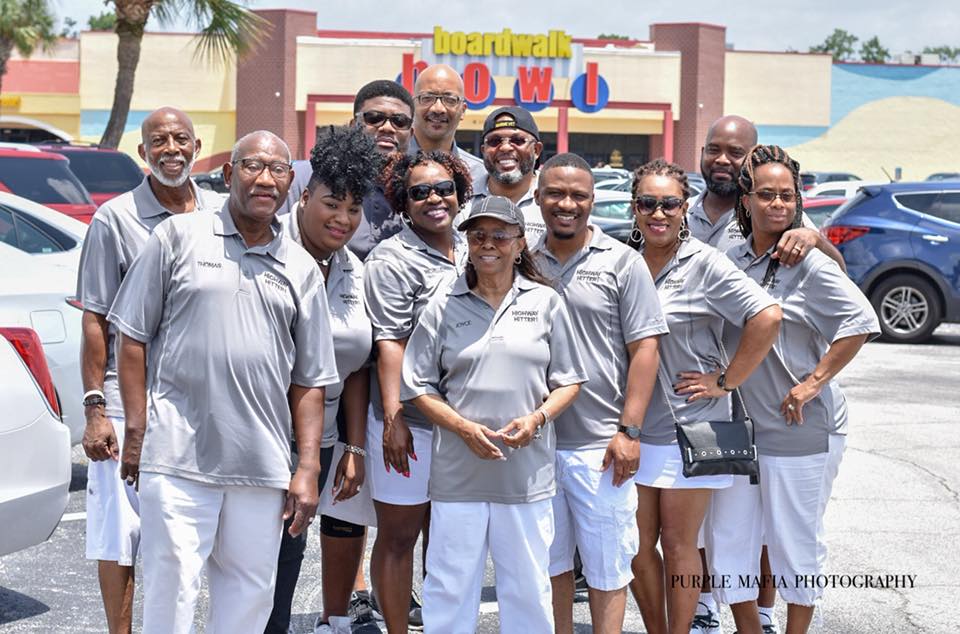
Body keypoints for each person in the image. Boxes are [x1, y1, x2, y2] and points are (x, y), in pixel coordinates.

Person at [108, 130, 339, 633]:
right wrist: (137, 429)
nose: (265, 179)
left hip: (261, 464)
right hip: (177, 456)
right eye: (253, 166)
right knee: (171, 592)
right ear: (230, 173)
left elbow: (310, 381)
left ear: (290, 185)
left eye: (278, 170)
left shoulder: (301, 267)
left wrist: (307, 467)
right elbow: (131, 337)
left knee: (249, 599)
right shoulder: (177, 237)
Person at [703, 145, 879, 634]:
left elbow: (861, 319)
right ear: (746, 201)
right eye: (766, 195)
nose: (777, 204)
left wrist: (812, 384)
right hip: (734, 430)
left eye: (786, 195)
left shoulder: (808, 262)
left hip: (796, 428)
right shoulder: (729, 259)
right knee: (728, 539)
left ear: (798, 201)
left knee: (795, 543)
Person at [401, 195, 588, 633]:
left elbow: (570, 382)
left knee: (528, 591)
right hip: (457, 476)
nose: (488, 244)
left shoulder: (546, 302)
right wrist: (463, 428)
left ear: (520, 244)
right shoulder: (443, 304)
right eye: (478, 235)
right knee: (449, 588)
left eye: (501, 236)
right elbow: (417, 386)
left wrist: (537, 419)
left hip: (526, 476)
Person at [76, 106, 222, 634]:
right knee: (120, 536)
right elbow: (95, 317)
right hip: (125, 400)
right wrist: (96, 409)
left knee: (183, 534)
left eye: (181, 139)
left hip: (199, 405)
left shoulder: (220, 213)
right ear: (143, 152)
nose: (171, 150)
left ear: (197, 146)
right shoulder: (114, 219)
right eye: (159, 141)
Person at [623, 159, 782, 634]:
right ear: (634, 207)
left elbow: (767, 316)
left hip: (698, 426)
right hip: (632, 427)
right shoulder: (622, 260)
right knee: (634, 546)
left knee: (680, 544)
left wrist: (726, 381)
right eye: (648, 203)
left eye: (669, 204)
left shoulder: (706, 263)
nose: (658, 213)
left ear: (684, 208)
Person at [530, 153, 668, 634]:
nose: (566, 204)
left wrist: (629, 431)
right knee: (549, 566)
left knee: (608, 569)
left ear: (592, 201)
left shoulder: (622, 262)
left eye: (578, 196)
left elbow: (645, 348)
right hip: (536, 444)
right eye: (555, 193)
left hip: (600, 448)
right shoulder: (521, 259)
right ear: (537, 197)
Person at [263, 126, 380, 634]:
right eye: (332, 204)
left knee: (289, 552)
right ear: (304, 197)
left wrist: (352, 447)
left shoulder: (353, 269)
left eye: (354, 209)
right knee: (249, 559)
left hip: (322, 438)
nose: (343, 219)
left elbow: (355, 366)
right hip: (262, 432)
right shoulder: (267, 248)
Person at [363, 150, 472, 633]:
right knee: (399, 536)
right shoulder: (391, 258)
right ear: (402, 203)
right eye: (420, 192)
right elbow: (390, 342)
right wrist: (394, 418)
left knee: (449, 539)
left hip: (463, 422)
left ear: (460, 193)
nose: (434, 199)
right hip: (410, 424)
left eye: (444, 189)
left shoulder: (473, 247)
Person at [277, 80, 412, 261]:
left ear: (411, 134)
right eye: (374, 118)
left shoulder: (417, 192)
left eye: (400, 121)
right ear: (353, 124)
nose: (387, 127)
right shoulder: (304, 176)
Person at [689, 115, 845, 269]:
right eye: (713, 150)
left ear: (752, 158)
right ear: (702, 153)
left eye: (735, 153)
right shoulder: (679, 214)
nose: (722, 159)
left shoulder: (776, 215)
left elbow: (839, 271)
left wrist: (815, 239)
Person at [455, 106, 546, 242]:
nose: (505, 147)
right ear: (484, 150)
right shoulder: (460, 198)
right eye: (494, 141)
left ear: (536, 150)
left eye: (518, 140)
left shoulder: (554, 198)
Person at [410, 64, 485, 182]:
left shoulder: (479, 176)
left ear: (463, 110)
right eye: (427, 98)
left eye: (450, 100)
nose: (438, 109)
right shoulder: (389, 167)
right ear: (412, 106)